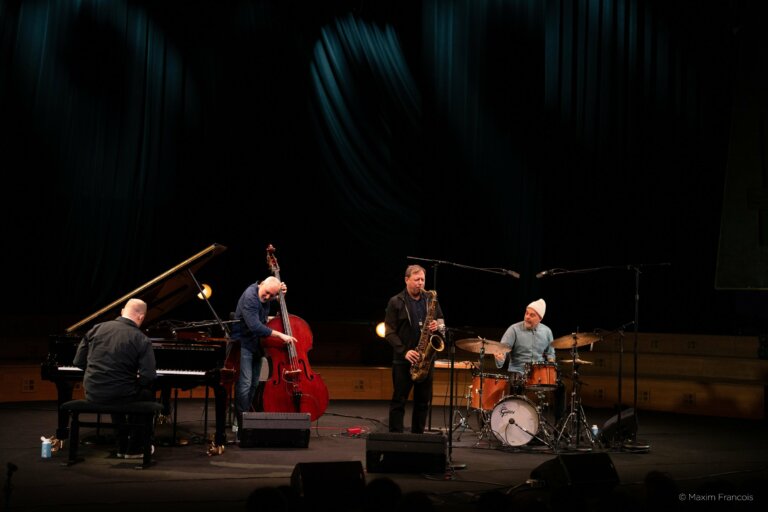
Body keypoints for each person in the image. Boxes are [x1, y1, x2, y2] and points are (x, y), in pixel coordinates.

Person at [73, 298, 157, 458]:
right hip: (121, 395)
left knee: (117, 389)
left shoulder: (96, 329)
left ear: (122, 311)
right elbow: (148, 376)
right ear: (141, 317)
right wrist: (132, 379)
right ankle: (135, 448)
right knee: (144, 394)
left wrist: (100, 373)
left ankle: (121, 445)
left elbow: (78, 362)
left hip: (93, 393)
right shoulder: (141, 338)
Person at [384, 264, 445, 434]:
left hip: (425, 359)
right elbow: (389, 331)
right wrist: (404, 351)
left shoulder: (430, 300)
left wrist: (438, 326)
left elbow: (441, 320)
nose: (420, 283)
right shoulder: (396, 301)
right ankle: (395, 437)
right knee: (399, 400)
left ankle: (418, 437)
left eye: (423, 280)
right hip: (404, 359)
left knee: (423, 402)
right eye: (417, 279)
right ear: (407, 280)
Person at [230, 276, 296, 432]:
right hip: (243, 343)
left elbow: (265, 314)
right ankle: (239, 422)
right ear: (261, 284)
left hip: (257, 345)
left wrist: (281, 296)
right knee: (245, 384)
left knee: (254, 384)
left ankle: (245, 416)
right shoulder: (250, 297)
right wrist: (280, 335)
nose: (267, 297)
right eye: (266, 293)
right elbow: (255, 326)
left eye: (271, 295)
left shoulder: (267, 295)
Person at [494, 298, 565, 424]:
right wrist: (499, 357)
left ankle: (559, 426)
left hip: (539, 374)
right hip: (518, 372)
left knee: (561, 386)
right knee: (516, 385)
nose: (527, 317)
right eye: (526, 313)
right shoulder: (514, 329)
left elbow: (550, 353)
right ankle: (516, 423)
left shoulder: (547, 331)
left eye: (532, 315)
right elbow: (502, 349)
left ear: (540, 318)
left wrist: (551, 365)